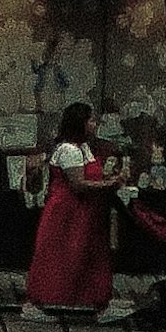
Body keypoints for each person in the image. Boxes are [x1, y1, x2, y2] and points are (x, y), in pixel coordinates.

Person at [25, 102, 117, 314]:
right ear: (81, 124)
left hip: (84, 212)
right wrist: (109, 184)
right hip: (68, 212)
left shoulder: (84, 147)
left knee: (87, 257)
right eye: (91, 120)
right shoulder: (69, 150)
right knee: (61, 257)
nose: (95, 124)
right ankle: (39, 302)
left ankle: (95, 302)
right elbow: (78, 184)